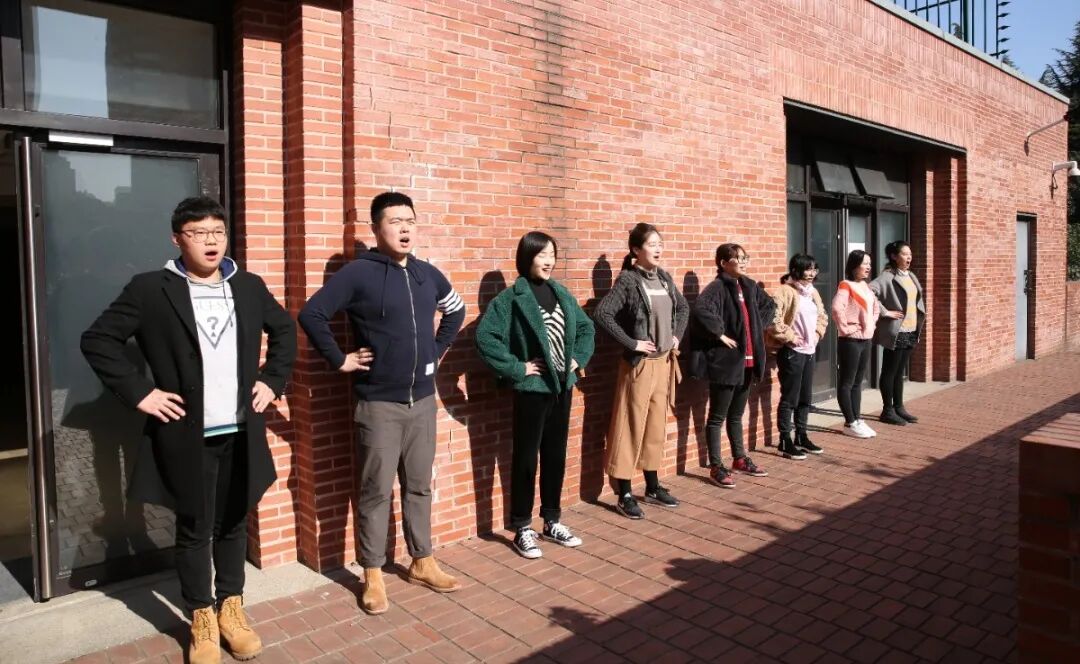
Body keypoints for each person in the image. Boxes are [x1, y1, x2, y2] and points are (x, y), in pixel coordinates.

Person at [81, 196, 297, 664]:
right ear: (178, 239)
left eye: (217, 232)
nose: (210, 241)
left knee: (234, 521)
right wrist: (142, 393)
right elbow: (98, 340)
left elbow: (285, 330)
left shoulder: (248, 286)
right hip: (187, 434)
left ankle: (231, 609)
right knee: (195, 526)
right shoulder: (150, 289)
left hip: (240, 430)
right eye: (198, 233)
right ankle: (201, 615)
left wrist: (272, 380)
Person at [298, 191, 466, 615]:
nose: (404, 228)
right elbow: (312, 314)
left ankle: (422, 560)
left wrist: (436, 351)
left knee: (420, 485)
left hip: (423, 401)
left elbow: (456, 309)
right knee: (375, 491)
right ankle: (372, 572)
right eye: (395, 221)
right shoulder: (359, 274)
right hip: (378, 404)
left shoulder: (427, 274)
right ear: (376, 229)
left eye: (410, 220)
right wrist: (340, 359)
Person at [475, 231, 595, 558]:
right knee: (526, 458)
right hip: (532, 390)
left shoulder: (561, 292)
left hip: (561, 387)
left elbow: (586, 329)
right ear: (527, 257)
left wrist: (577, 359)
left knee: (555, 455)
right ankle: (522, 527)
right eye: (542, 255)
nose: (549, 261)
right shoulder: (511, 298)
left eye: (552, 254)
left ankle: (552, 520)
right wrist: (518, 368)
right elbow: (485, 338)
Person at [593, 223, 688, 519]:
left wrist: (676, 336)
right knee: (629, 426)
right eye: (652, 244)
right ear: (636, 249)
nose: (658, 249)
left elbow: (683, 309)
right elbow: (602, 313)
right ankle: (623, 493)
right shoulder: (628, 280)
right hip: (639, 366)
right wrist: (632, 343)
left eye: (660, 243)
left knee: (655, 426)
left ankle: (652, 486)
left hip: (664, 363)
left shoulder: (664, 278)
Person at [690, 243, 775, 489]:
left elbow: (770, 306)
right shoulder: (717, 287)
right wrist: (719, 334)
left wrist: (758, 326)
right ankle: (716, 466)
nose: (744, 262)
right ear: (723, 263)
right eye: (738, 258)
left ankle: (739, 458)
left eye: (745, 257)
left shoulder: (749, 285)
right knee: (717, 417)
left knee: (736, 415)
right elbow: (701, 311)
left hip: (748, 362)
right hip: (726, 363)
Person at [768, 254, 829, 459]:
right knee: (790, 398)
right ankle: (785, 440)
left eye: (814, 269)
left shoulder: (813, 292)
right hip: (792, 352)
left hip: (810, 351)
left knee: (805, 398)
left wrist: (818, 333)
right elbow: (773, 320)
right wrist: (791, 337)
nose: (811, 273)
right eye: (807, 269)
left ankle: (801, 436)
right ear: (796, 270)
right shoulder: (785, 291)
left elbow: (822, 316)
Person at [870, 240, 926, 425]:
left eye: (910, 254)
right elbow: (869, 292)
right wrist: (885, 312)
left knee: (899, 372)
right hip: (897, 331)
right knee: (889, 371)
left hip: (911, 330)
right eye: (904, 254)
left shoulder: (911, 276)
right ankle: (887, 410)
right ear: (894, 256)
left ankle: (899, 407)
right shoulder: (887, 276)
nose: (909, 257)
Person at [831, 249, 884, 438]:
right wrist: (846, 328)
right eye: (864, 263)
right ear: (854, 266)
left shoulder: (866, 286)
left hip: (865, 339)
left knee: (857, 382)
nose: (868, 267)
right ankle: (850, 422)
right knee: (847, 381)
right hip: (850, 341)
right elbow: (836, 308)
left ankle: (857, 419)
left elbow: (876, 309)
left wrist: (871, 325)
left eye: (869, 263)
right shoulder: (846, 285)